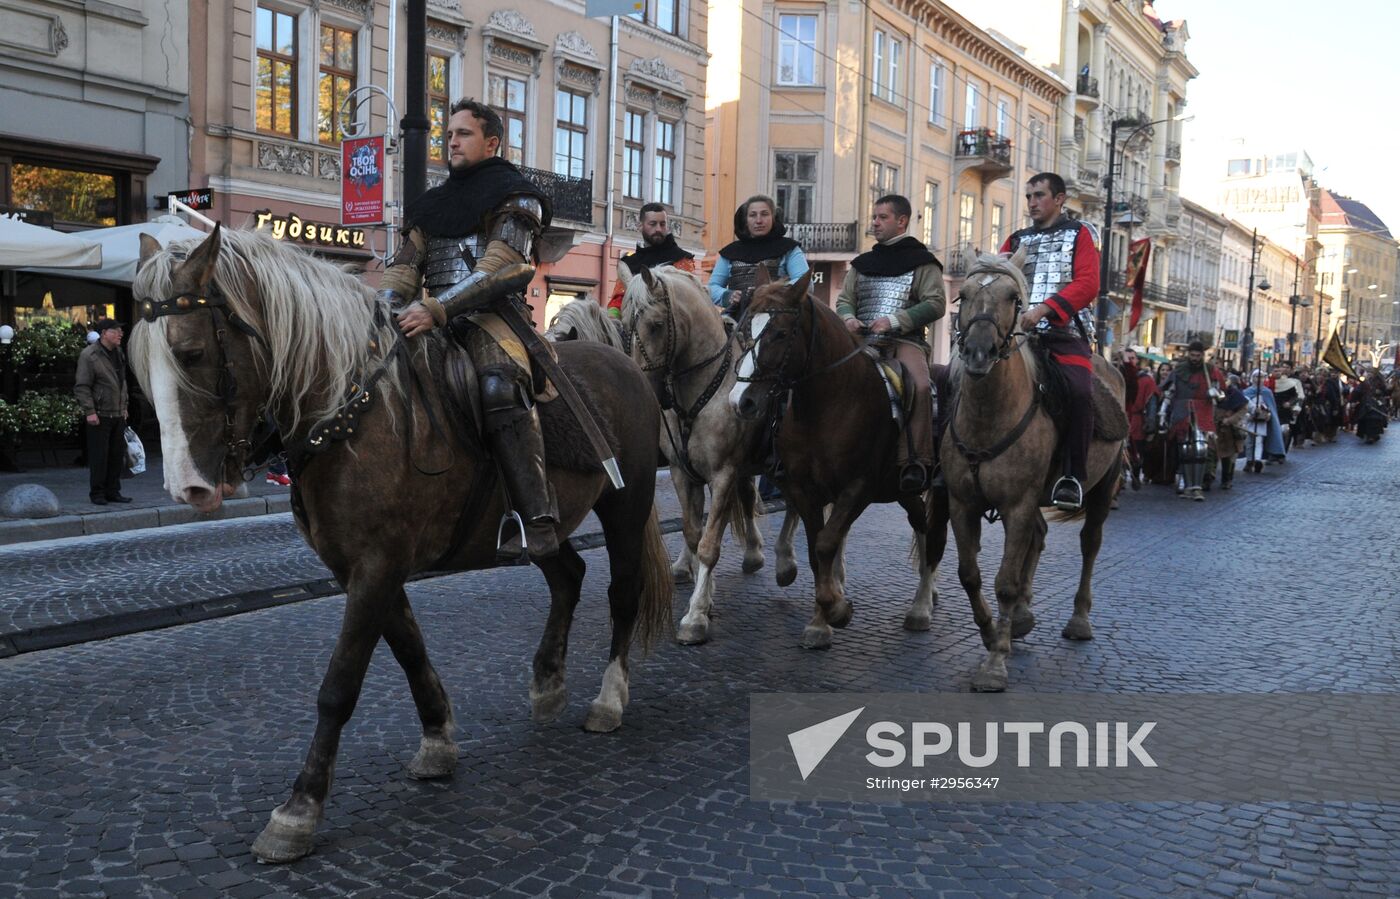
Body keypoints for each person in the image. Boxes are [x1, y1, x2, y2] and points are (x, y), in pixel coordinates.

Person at [386, 98, 558, 561]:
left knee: (500, 384)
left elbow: (504, 267)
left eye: (463, 133)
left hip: (493, 318)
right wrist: (381, 308)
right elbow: (404, 268)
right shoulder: (432, 203)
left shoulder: (516, 195)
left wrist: (437, 310)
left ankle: (536, 514)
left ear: (492, 142)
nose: (452, 141)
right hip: (431, 316)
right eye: (449, 135)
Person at [1001, 172, 1101, 512]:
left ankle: (1072, 475)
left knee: (1079, 391)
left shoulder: (1080, 234)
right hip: (1016, 333)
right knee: (967, 374)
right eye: (1029, 196)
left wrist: (1044, 309)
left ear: (1059, 199)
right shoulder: (1015, 240)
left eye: (1039, 195)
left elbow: (1087, 283)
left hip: (1064, 331)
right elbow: (998, 279)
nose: (1032, 202)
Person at [835, 194, 946, 493]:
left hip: (903, 341)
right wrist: (847, 318)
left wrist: (895, 320)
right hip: (861, 340)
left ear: (901, 221)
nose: (875, 222)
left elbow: (936, 304)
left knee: (921, 386)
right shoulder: (862, 263)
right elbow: (845, 299)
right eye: (874, 217)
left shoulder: (923, 262)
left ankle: (916, 460)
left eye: (882, 217)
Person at [708, 195, 809, 320]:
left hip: (777, 318)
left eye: (764, 214)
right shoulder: (730, 252)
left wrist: (773, 291)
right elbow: (712, 287)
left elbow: (805, 281)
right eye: (753, 215)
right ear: (746, 220)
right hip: (737, 318)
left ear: (773, 217)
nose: (759, 220)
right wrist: (728, 295)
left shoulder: (789, 249)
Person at [74, 318, 132, 505]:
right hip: (99, 414)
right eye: (115, 331)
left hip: (117, 413)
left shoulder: (119, 353)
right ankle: (97, 493)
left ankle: (113, 491)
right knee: (99, 456)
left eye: (120, 331)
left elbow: (122, 383)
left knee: (116, 455)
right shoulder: (89, 355)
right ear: (104, 333)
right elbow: (82, 386)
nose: (120, 334)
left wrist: (124, 407)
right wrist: (89, 411)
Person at [1160, 340, 1226, 500]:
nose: (1195, 358)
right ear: (1188, 354)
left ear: (1202, 355)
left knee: (1200, 448)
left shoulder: (1211, 371)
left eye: (1198, 355)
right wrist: (1162, 414)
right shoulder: (1179, 370)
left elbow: (1223, 392)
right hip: (1182, 409)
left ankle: (1197, 486)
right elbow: (1169, 393)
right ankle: (1187, 485)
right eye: (1193, 355)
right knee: (1184, 450)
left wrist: (1215, 393)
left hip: (1203, 410)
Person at [606, 203, 696, 319]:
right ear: (640, 226)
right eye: (653, 224)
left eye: (662, 224)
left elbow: (686, 301)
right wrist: (613, 321)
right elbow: (618, 300)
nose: (658, 229)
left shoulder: (682, 259)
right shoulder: (629, 263)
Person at [1121, 347, 1159, 490]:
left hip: (1137, 421)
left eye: (1132, 358)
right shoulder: (1119, 375)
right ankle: (1121, 478)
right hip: (1121, 418)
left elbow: (1152, 404)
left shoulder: (1146, 380)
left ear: (1137, 360)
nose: (1130, 361)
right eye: (1127, 358)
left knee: (1137, 452)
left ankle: (1135, 475)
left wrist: (1150, 424)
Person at [1213, 376, 1250, 491]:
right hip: (1212, 427)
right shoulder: (1209, 392)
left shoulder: (1233, 394)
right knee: (1210, 453)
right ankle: (1207, 478)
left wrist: (1230, 420)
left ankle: (1227, 479)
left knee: (1228, 456)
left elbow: (1243, 409)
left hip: (1228, 430)